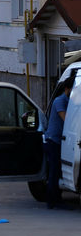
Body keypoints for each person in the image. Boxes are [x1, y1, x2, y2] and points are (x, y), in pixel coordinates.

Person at [45, 78, 73, 209]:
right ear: (67, 89)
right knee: (54, 170)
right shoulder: (60, 101)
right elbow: (66, 119)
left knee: (57, 170)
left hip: (61, 140)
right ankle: (51, 200)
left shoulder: (69, 101)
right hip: (53, 140)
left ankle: (56, 198)